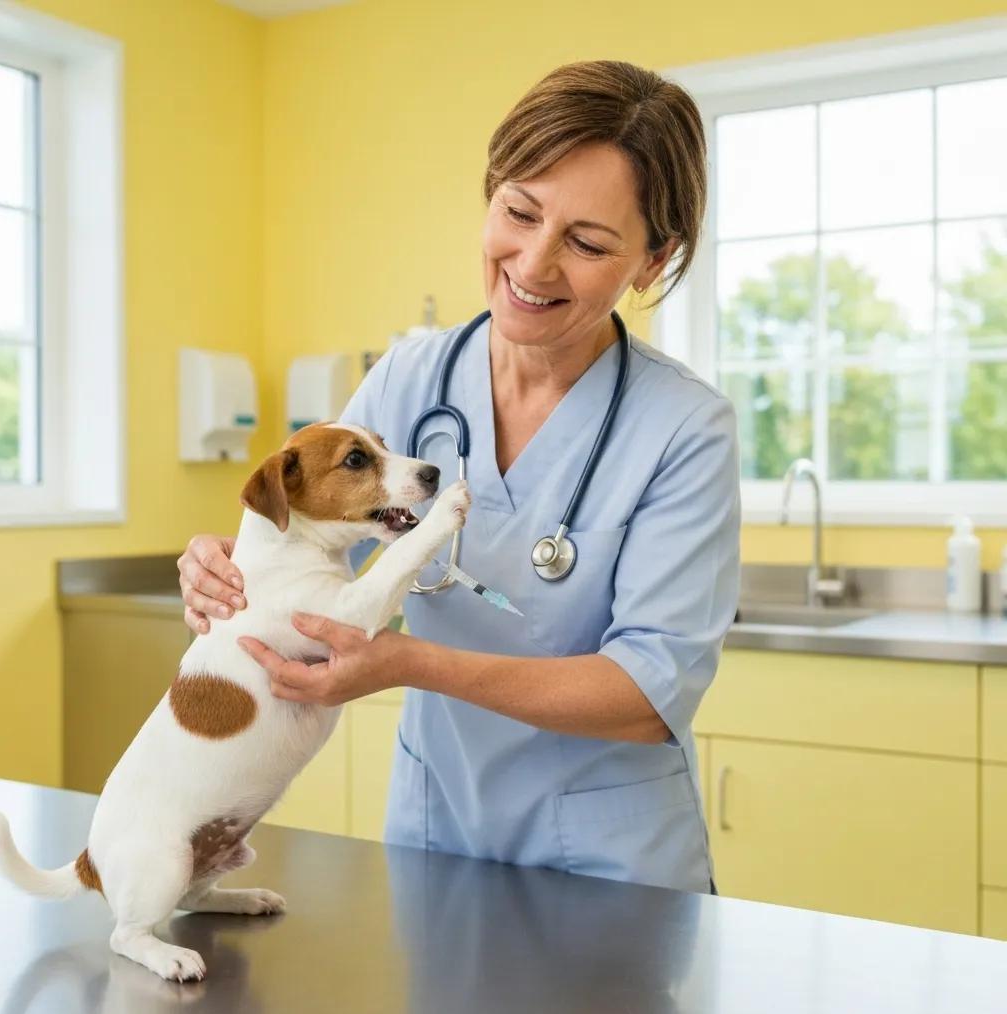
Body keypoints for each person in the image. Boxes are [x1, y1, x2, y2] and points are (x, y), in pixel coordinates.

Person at [177, 60, 740, 894]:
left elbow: (647, 694)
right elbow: (309, 549)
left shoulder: (684, 428)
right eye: (518, 211)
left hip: (613, 857)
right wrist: (226, 570)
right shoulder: (410, 381)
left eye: (586, 243)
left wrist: (410, 662)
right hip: (436, 827)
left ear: (653, 261)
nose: (535, 263)